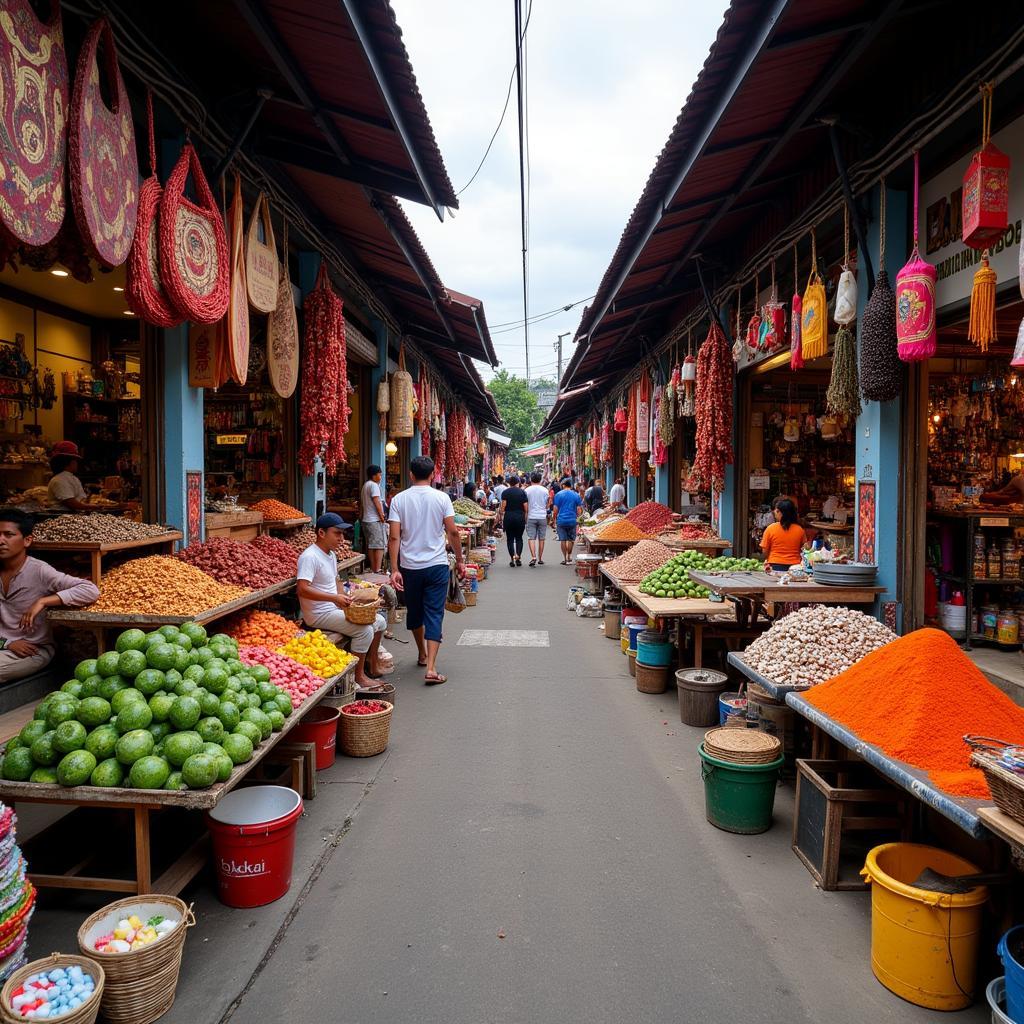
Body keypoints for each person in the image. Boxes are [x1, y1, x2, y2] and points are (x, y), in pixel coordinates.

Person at [388, 455, 466, 685]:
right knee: (434, 613)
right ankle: (431, 667)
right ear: (433, 475)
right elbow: (452, 532)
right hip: (437, 565)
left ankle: (422, 653)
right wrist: (460, 559)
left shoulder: (398, 500)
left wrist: (394, 568)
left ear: (410, 475)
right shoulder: (442, 498)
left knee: (415, 611)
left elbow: (394, 536)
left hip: (410, 566)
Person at [0, 508, 99, 683]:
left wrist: (44, 601)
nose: (1, 541)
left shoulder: (39, 571)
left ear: (27, 540)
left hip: (32, 650)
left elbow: (89, 590)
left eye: (8, 535)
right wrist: (7, 643)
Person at [297, 513, 386, 688]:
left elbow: (336, 580)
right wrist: (334, 598)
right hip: (318, 614)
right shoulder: (310, 557)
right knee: (365, 631)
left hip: (333, 608)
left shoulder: (330, 554)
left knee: (381, 621)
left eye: (342, 534)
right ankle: (358, 677)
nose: (341, 538)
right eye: (337, 533)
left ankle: (371, 665)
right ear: (321, 533)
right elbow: (302, 589)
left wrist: (343, 597)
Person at [760, 497, 807, 570]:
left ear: (781, 513)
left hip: (774, 565)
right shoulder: (800, 530)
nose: (775, 512)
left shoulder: (770, 528)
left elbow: (764, 551)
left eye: (777, 510)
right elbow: (804, 549)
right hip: (795, 566)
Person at [47, 441, 91, 512]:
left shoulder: (73, 478)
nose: (77, 463)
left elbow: (81, 499)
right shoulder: (59, 480)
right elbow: (71, 502)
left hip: (73, 514)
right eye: (76, 460)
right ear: (70, 461)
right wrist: (94, 507)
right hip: (60, 516)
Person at [360, 464, 387, 573]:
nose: (380, 477)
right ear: (374, 475)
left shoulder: (366, 485)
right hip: (374, 520)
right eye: (379, 475)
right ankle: (377, 568)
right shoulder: (374, 486)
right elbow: (377, 502)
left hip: (366, 519)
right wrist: (382, 516)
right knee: (379, 545)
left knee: (371, 545)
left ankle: (373, 567)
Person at [553, 478, 584, 564]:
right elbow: (579, 509)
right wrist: (579, 518)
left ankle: (565, 558)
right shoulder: (576, 495)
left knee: (563, 539)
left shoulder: (558, 495)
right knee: (570, 539)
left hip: (561, 520)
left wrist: (553, 520)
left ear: (563, 485)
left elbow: (555, 510)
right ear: (571, 486)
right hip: (572, 520)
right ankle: (569, 556)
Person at [500, 474, 528, 567]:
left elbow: (503, 507)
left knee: (510, 539)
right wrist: (525, 518)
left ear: (509, 483)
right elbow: (526, 507)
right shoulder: (522, 492)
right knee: (519, 538)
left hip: (509, 517)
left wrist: (500, 515)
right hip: (520, 517)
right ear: (518, 483)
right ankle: (518, 557)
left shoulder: (505, 492)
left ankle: (512, 558)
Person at [525, 471, 551, 567]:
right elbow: (548, 504)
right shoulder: (545, 490)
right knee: (541, 538)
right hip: (542, 516)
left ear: (531, 479)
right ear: (540, 479)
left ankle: (533, 557)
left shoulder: (527, 490)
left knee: (531, 537)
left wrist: (526, 515)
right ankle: (540, 558)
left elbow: (526, 505)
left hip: (531, 516)